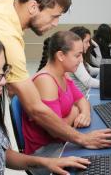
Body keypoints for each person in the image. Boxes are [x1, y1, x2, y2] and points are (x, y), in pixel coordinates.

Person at [0, 0, 111, 151]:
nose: (56, 23)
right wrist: (83, 139)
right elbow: (35, 108)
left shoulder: (7, 5)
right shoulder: (8, 37)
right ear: (32, 7)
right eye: (54, 16)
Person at [0, 26, 91, 175]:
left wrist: (47, 162)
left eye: (4, 70)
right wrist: (75, 112)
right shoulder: (46, 80)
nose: (4, 81)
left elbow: (2, 154)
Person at [23, 31, 92, 174]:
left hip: (60, 140)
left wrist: (85, 113)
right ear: (60, 55)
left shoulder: (63, 74)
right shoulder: (46, 81)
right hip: (46, 151)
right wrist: (74, 112)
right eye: (77, 55)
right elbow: (55, 131)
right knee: (92, 160)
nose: (81, 60)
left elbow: (81, 99)